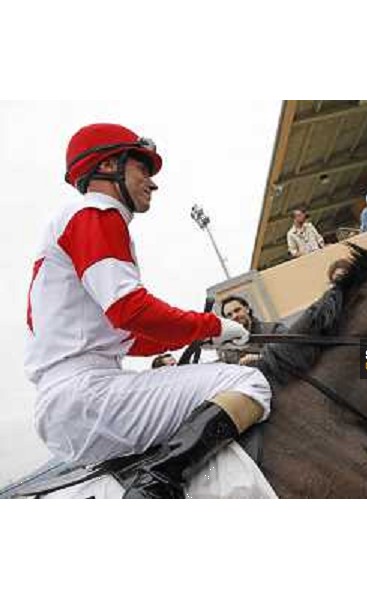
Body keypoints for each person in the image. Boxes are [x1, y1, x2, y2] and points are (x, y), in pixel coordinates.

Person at [24, 123, 272, 498]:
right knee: (246, 382)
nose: (152, 182)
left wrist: (203, 333)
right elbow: (130, 310)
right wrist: (212, 326)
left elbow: (132, 337)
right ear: (108, 165)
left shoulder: (77, 221)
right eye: (142, 168)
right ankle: (155, 486)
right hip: (86, 393)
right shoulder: (95, 211)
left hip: (70, 399)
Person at [218, 295, 287, 366]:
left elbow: (291, 350)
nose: (234, 316)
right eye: (229, 315)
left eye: (237, 310)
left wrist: (260, 358)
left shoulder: (273, 329)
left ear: (247, 309)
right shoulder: (227, 349)